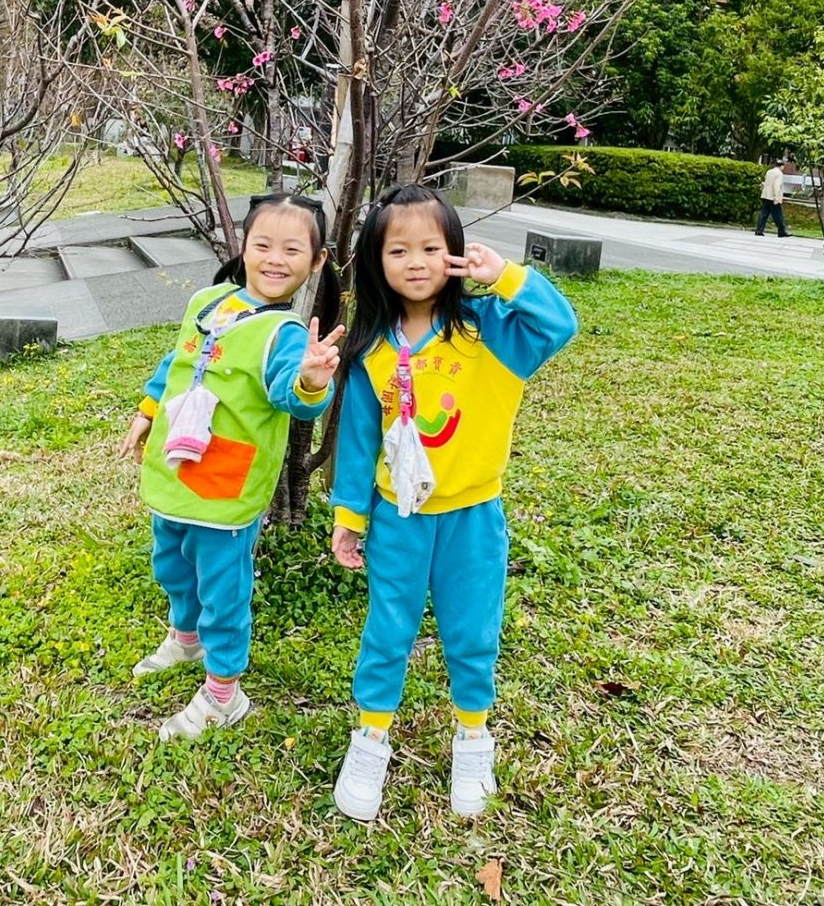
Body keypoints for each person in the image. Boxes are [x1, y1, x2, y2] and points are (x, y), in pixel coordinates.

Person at [329, 183, 578, 821]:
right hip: (398, 520)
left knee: (471, 631)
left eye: (431, 248)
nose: (415, 262)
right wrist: (350, 517)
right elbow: (358, 441)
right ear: (376, 261)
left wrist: (507, 277)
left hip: (473, 518)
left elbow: (561, 325)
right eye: (398, 250)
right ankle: (371, 738)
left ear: (456, 252)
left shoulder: (489, 329)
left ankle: (473, 736)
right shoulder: (371, 348)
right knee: (388, 630)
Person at [121, 193, 344, 741]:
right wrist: (148, 410)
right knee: (171, 563)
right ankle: (186, 637)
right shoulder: (208, 301)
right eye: (263, 244)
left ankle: (224, 692)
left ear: (316, 261)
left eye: (293, 249)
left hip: (226, 486)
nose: (275, 259)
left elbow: (295, 396)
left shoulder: (285, 335)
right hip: (176, 468)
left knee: (223, 588)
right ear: (244, 247)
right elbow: (175, 363)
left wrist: (311, 380)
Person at [756, 160, 790, 237]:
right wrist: (776, 197)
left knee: (764, 213)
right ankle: (782, 231)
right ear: (782, 166)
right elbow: (776, 186)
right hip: (773, 197)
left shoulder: (769, 172)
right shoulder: (779, 174)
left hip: (766, 195)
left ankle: (759, 230)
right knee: (778, 215)